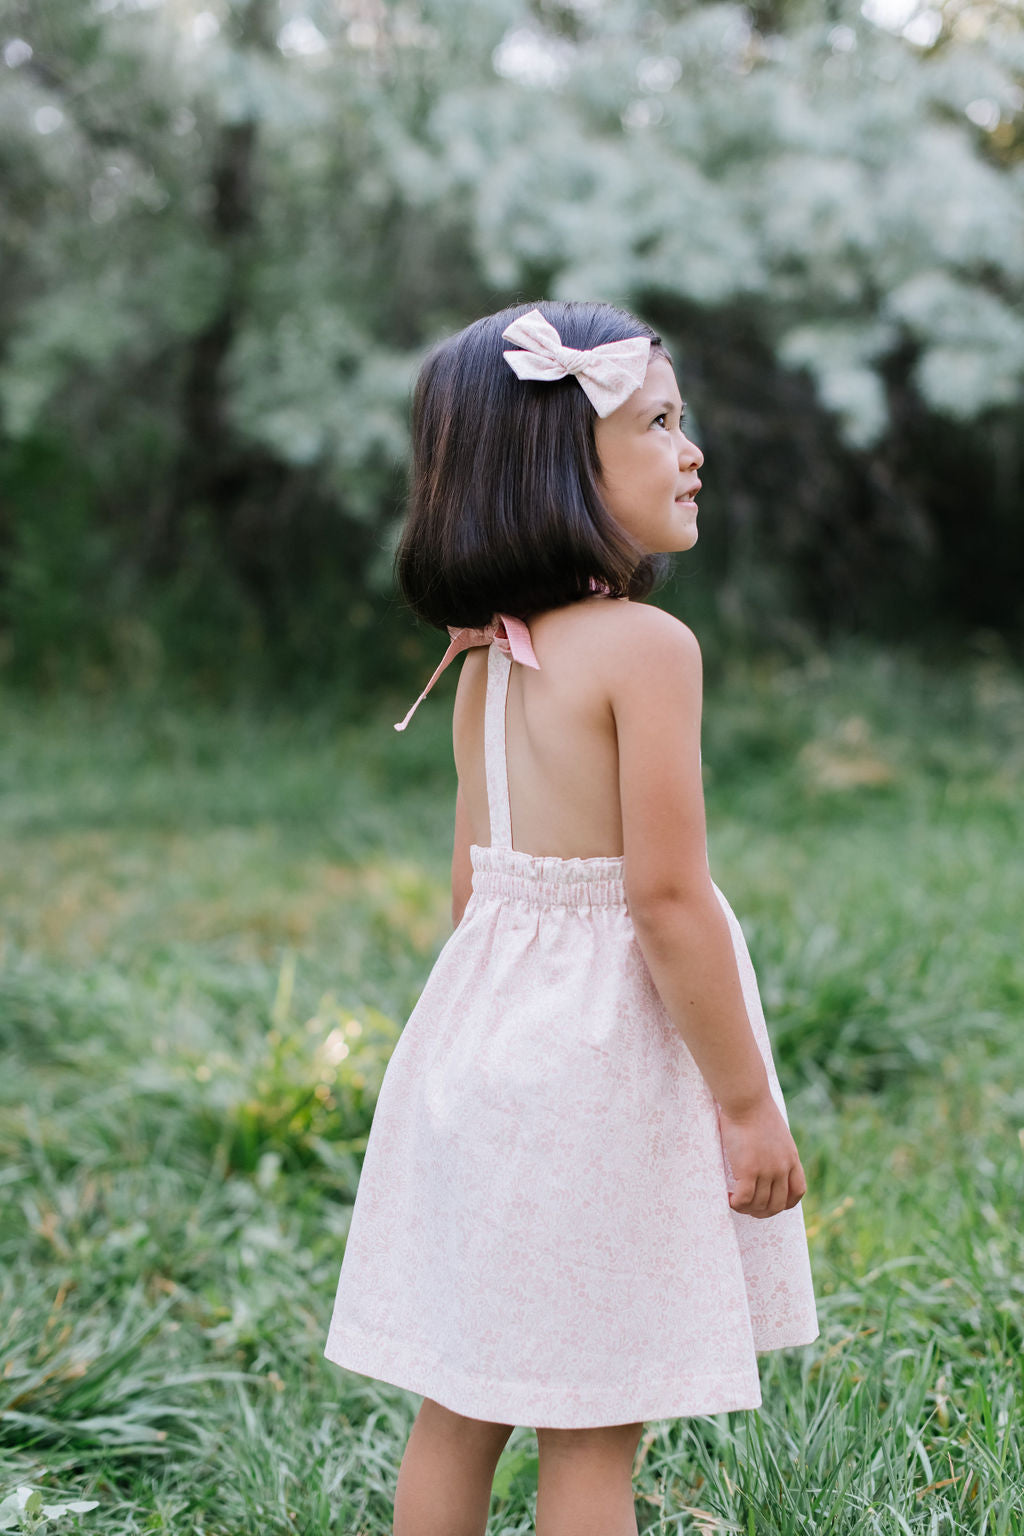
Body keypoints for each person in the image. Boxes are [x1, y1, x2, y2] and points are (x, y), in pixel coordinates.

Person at [323, 301, 819, 1536]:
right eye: (656, 422)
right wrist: (746, 1105)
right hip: (600, 1081)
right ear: (562, 465)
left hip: (482, 1062)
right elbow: (663, 899)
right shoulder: (645, 647)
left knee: (462, 1404)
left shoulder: (485, 659)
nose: (690, 448)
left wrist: (468, 1068)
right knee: (591, 1431)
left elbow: (470, 898)